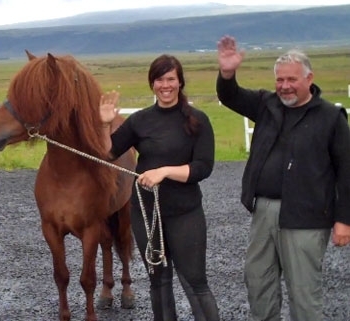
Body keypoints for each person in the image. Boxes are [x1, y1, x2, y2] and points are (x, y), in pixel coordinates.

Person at [216, 35, 350, 321]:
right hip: (264, 211)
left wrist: (344, 220)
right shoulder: (267, 104)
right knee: (258, 283)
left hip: (307, 216)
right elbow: (230, 96)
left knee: (303, 293)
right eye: (280, 80)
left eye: (291, 79)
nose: (285, 86)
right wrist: (227, 73)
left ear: (309, 78)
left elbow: (346, 171)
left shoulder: (330, 118)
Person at [100, 54, 220, 321]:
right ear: (152, 83)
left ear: (180, 82)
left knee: (195, 282)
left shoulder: (197, 120)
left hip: (184, 213)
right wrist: (106, 123)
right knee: (159, 282)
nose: (165, 85)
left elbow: (203, 167)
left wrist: (164, 171)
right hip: (145, 214)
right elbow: (108, 154)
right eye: (159, 79)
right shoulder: (141, 120)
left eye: (170, 79)